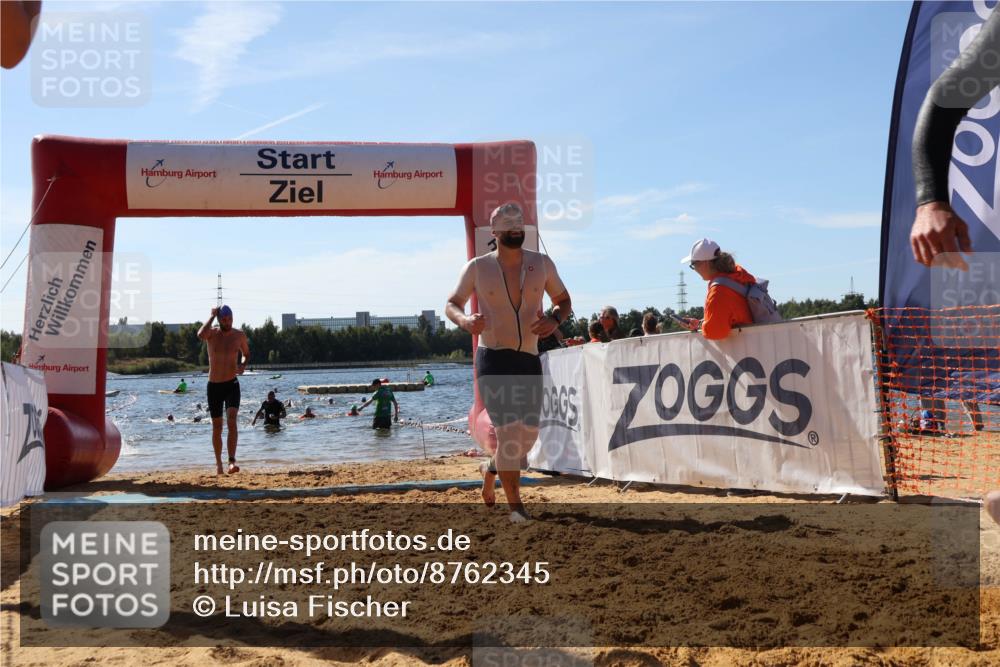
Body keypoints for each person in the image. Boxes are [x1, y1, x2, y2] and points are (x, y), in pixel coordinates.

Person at [446, 201, 572, 522]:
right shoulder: (477, 267)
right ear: (495, 232)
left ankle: (491, 470)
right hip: (493, 358)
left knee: (526, 438)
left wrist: (555, 320)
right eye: (509, 228)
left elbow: (563, 300)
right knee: (508, 434)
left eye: (520, 227)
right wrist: (465, 321)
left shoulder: (541, 264)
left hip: (528, 358)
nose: (516, 232)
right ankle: (516, 508)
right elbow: (452, 303)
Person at [197, 305, 249, 475]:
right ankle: (219, 463)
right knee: (217, 427)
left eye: (230, 319)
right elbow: (200, 334)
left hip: (231, 384)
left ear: (233, 318)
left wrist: (242, 364)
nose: (227, 322)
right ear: (220, 320)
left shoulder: (239, 335)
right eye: (224, 319)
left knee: (232, 421)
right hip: (214, 386)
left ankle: (232, 462)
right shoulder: (212, 333)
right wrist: (211, 316)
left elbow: (246, 353)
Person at [678, 238, 755, 340]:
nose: (694, 269)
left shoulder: (719, 291)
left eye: (693, 265)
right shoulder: (737, 275)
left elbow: (715, 332)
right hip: (759, 343)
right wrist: (701, 323)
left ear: (705, 263)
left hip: (746, 348)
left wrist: (702, 326)